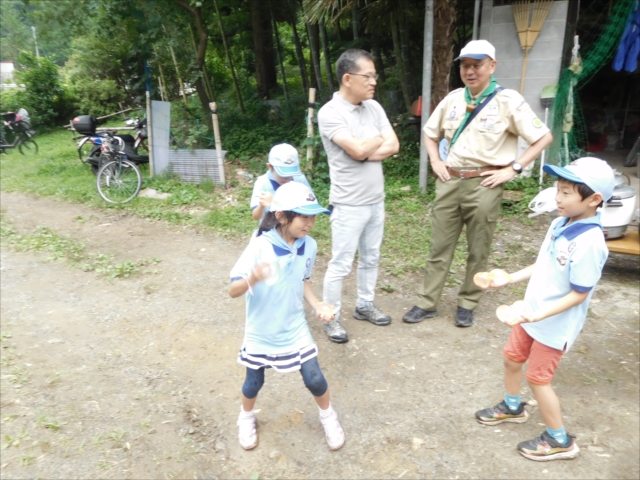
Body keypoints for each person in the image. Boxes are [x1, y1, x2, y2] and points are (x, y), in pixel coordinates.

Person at [403, 39, 553, 327]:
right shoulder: (452, 100)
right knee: (439, 247)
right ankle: (427, 302)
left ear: (492, 66)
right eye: (465, 65)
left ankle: (467, 302)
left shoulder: (508, 101)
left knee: (478, 248)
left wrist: (515, 168)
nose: (470, 71)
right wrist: (436, 161)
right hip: (450, 181)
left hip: (484, 184)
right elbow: (430, 133)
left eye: (477, 65)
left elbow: (542, 137)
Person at [474, 157, 615, 461]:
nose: (557, 198)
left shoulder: (591, 243)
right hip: (529, 312)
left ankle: (560, 440)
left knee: (539, 379)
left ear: (593, 199)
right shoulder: (559, 223)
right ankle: (513, 406)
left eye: (566, 193)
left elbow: (579, 295)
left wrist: (538, 315)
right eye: (558, 190)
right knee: (512, 358)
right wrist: (510, 278)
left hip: (553, 324)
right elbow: (544, 263)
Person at [228, 181, 346, 451]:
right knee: (253, 381)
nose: (310, 223)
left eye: (314, 216)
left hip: (294, 325)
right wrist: (253, 277)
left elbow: (300, 279)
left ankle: (329, 417)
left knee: (314, 377)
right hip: (262, 329)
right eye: (304, 216)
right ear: (281, 216)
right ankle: (245, 418)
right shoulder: (259, 246)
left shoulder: (310, 246)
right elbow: (232, 290)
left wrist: (317, 304)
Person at [317, 49, 400, 343]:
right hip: (348, 203)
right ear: (348, 78)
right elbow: (357, 150)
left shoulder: (373, 107)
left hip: (376, 200)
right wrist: (372, 143)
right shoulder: (329, 113)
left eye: (375, 76)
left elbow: (394, 145)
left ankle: (365, 305)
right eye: (368, 76)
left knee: (371, 257)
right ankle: (331, 317)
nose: (374, 82)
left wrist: (366, 148)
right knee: (340, 263)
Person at [250, 143, 312, 223]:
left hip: (295, 230)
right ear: (270, 167)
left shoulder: (299, 179)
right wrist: (261, 206)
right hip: (269, 230)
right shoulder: (262, 183)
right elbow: (256, 216)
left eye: (290, 173)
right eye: (282, 174)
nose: (287, 178)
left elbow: (311, 206)